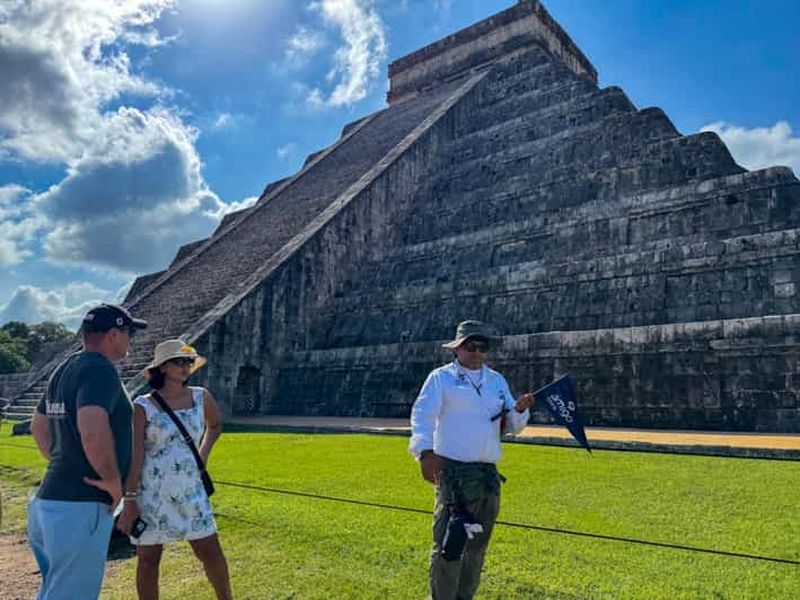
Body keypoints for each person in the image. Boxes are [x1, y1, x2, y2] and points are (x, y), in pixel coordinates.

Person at [28, 303, 148, 600]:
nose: (130, 339)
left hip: (50, 500)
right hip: (80, 505)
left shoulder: (67, 366)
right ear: (112, 335)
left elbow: (38, 426)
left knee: (54, 590)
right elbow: (92, 426)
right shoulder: (100, 368)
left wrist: (65, 461)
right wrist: (110, 479)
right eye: (128, 333)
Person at [409, 320, 534, 600]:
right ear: (457, 349)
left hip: (486, 475)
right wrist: (425, 453)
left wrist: (521, 410)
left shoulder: (496, 381)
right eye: (470, 346)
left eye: (482, 347)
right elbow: (422, 415)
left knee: (476, 546)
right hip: (452, 473)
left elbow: (512, 425)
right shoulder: (441, 378)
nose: (476, 352)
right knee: (449, 544)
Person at [117, 339, 232, 600]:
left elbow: (215, 427)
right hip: (153, 493)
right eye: (179, 362)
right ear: (163, 367)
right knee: (148, 558)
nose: (185, 367)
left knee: (210, 552)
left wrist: (202, 457)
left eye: (189, 362)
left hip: (190, 489)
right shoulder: (142, 406)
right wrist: (130, 499)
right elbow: (136, 455)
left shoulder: (201, 397)